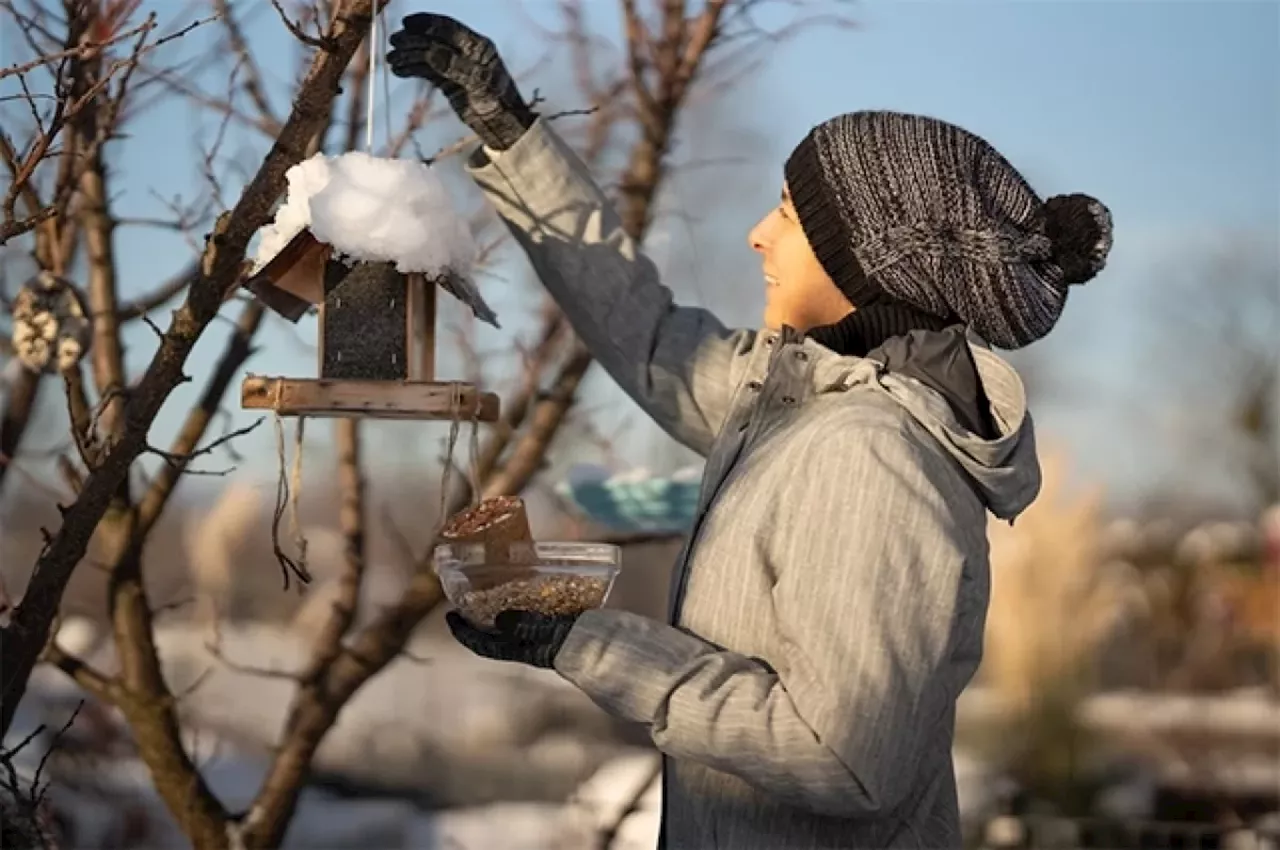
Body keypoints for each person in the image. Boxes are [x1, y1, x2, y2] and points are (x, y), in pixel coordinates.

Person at [389, 13, 1113, 850]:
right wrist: (513, 137)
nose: (758, 234)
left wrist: (586, 644)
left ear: (867, 264)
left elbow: (843, 757)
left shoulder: (871, 456)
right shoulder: (800, 402)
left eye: (789, 216)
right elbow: (649, 334)